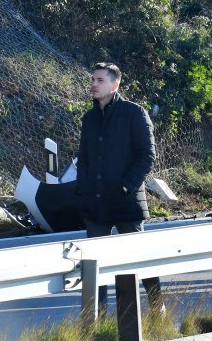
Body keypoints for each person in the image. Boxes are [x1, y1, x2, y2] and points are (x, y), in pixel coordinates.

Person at [76, 62, 163, 313]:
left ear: (115, 85)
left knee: (139, 259)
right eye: (93, 79)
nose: (93, 84)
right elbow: (84, 158)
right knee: (95, 264)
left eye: (100, 80)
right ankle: (96, 320)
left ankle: (158, 309)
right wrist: (83, 189)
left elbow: (147, 156)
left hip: (127, 201)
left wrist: (126, 188)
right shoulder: (89, 118)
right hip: (96, 203)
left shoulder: (134, 113)